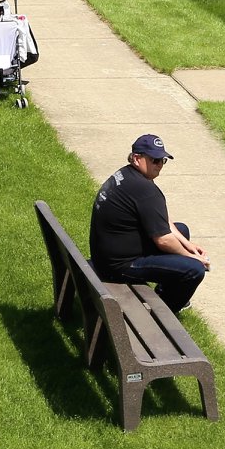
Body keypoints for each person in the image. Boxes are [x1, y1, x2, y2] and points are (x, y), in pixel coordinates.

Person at [89, 133, 209, 315]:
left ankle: (164, 293)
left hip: (106, 254)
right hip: (117, 266)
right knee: (194, 270)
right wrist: (192, 257)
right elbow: (163, 241)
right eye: (155, 160)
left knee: (182, 231)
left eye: (163, 160)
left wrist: (189, 246)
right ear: (137, 158)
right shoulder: (144, 190)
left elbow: (161, 219)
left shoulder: (127, 175)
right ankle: (161, 316)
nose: (160, 165)